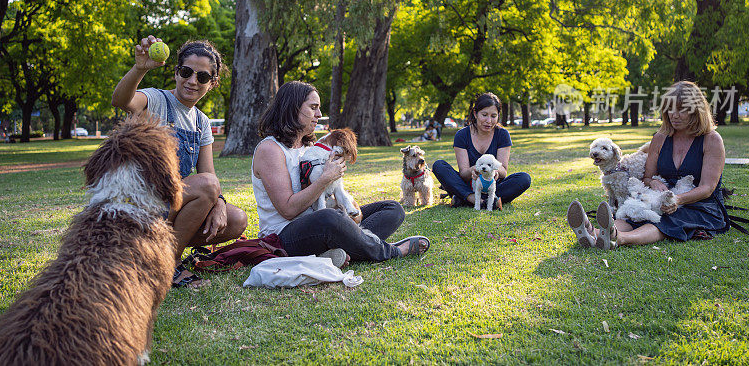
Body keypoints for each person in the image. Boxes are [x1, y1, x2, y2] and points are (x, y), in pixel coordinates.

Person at [112, 35, 247, 286]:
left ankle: (155, 256)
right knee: (207, 186)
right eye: (186, 72)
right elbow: (121, 100)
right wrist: (140, 68)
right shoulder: (155, 99)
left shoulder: (201, 122)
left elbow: (208, 173)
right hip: (142, 203)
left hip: (172, 206)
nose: (193, 81)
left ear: (213, 82)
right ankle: (165, 267)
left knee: (236, 219)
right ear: (176, 73)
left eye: (203, 77)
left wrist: (219, 204)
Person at [251, 81, 430, 262]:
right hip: (285, 235)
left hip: (322, 220)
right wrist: (325, 178)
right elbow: (288, 210)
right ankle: (392, 251)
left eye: (318, 108)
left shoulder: (309, 148)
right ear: (292, 108)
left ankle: (344, 248)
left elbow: (333, 191)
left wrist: (349, 207)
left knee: (393, 209)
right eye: (313, 108)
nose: (319, 115)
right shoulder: (270, 149)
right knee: (329, 218)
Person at [567, 81, 729, 249]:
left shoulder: (712, 140)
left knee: (668, 219)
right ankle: (591, 232)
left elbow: (707, 188)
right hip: (657, 199)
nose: (674, 115)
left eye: (681, 110)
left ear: (696, 111)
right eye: (670, 109)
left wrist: (677, 200)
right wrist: (652, 182)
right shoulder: (660, 138)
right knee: (635, 213)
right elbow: (647, 177)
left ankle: (618, 238)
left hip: (699, 205)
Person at [432, 92, 532, 209]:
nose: (489, 121)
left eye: (493, 116)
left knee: (524, 178)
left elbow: (503, 171)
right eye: (484, 115)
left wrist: (496, 171)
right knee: (439, 165)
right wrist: (473, 170)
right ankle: (474, 199)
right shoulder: (462, 135)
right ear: (475, 113)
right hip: (469, 184)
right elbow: (464, 174)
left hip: (492, 185)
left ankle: (463, 198)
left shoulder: (502, 134)